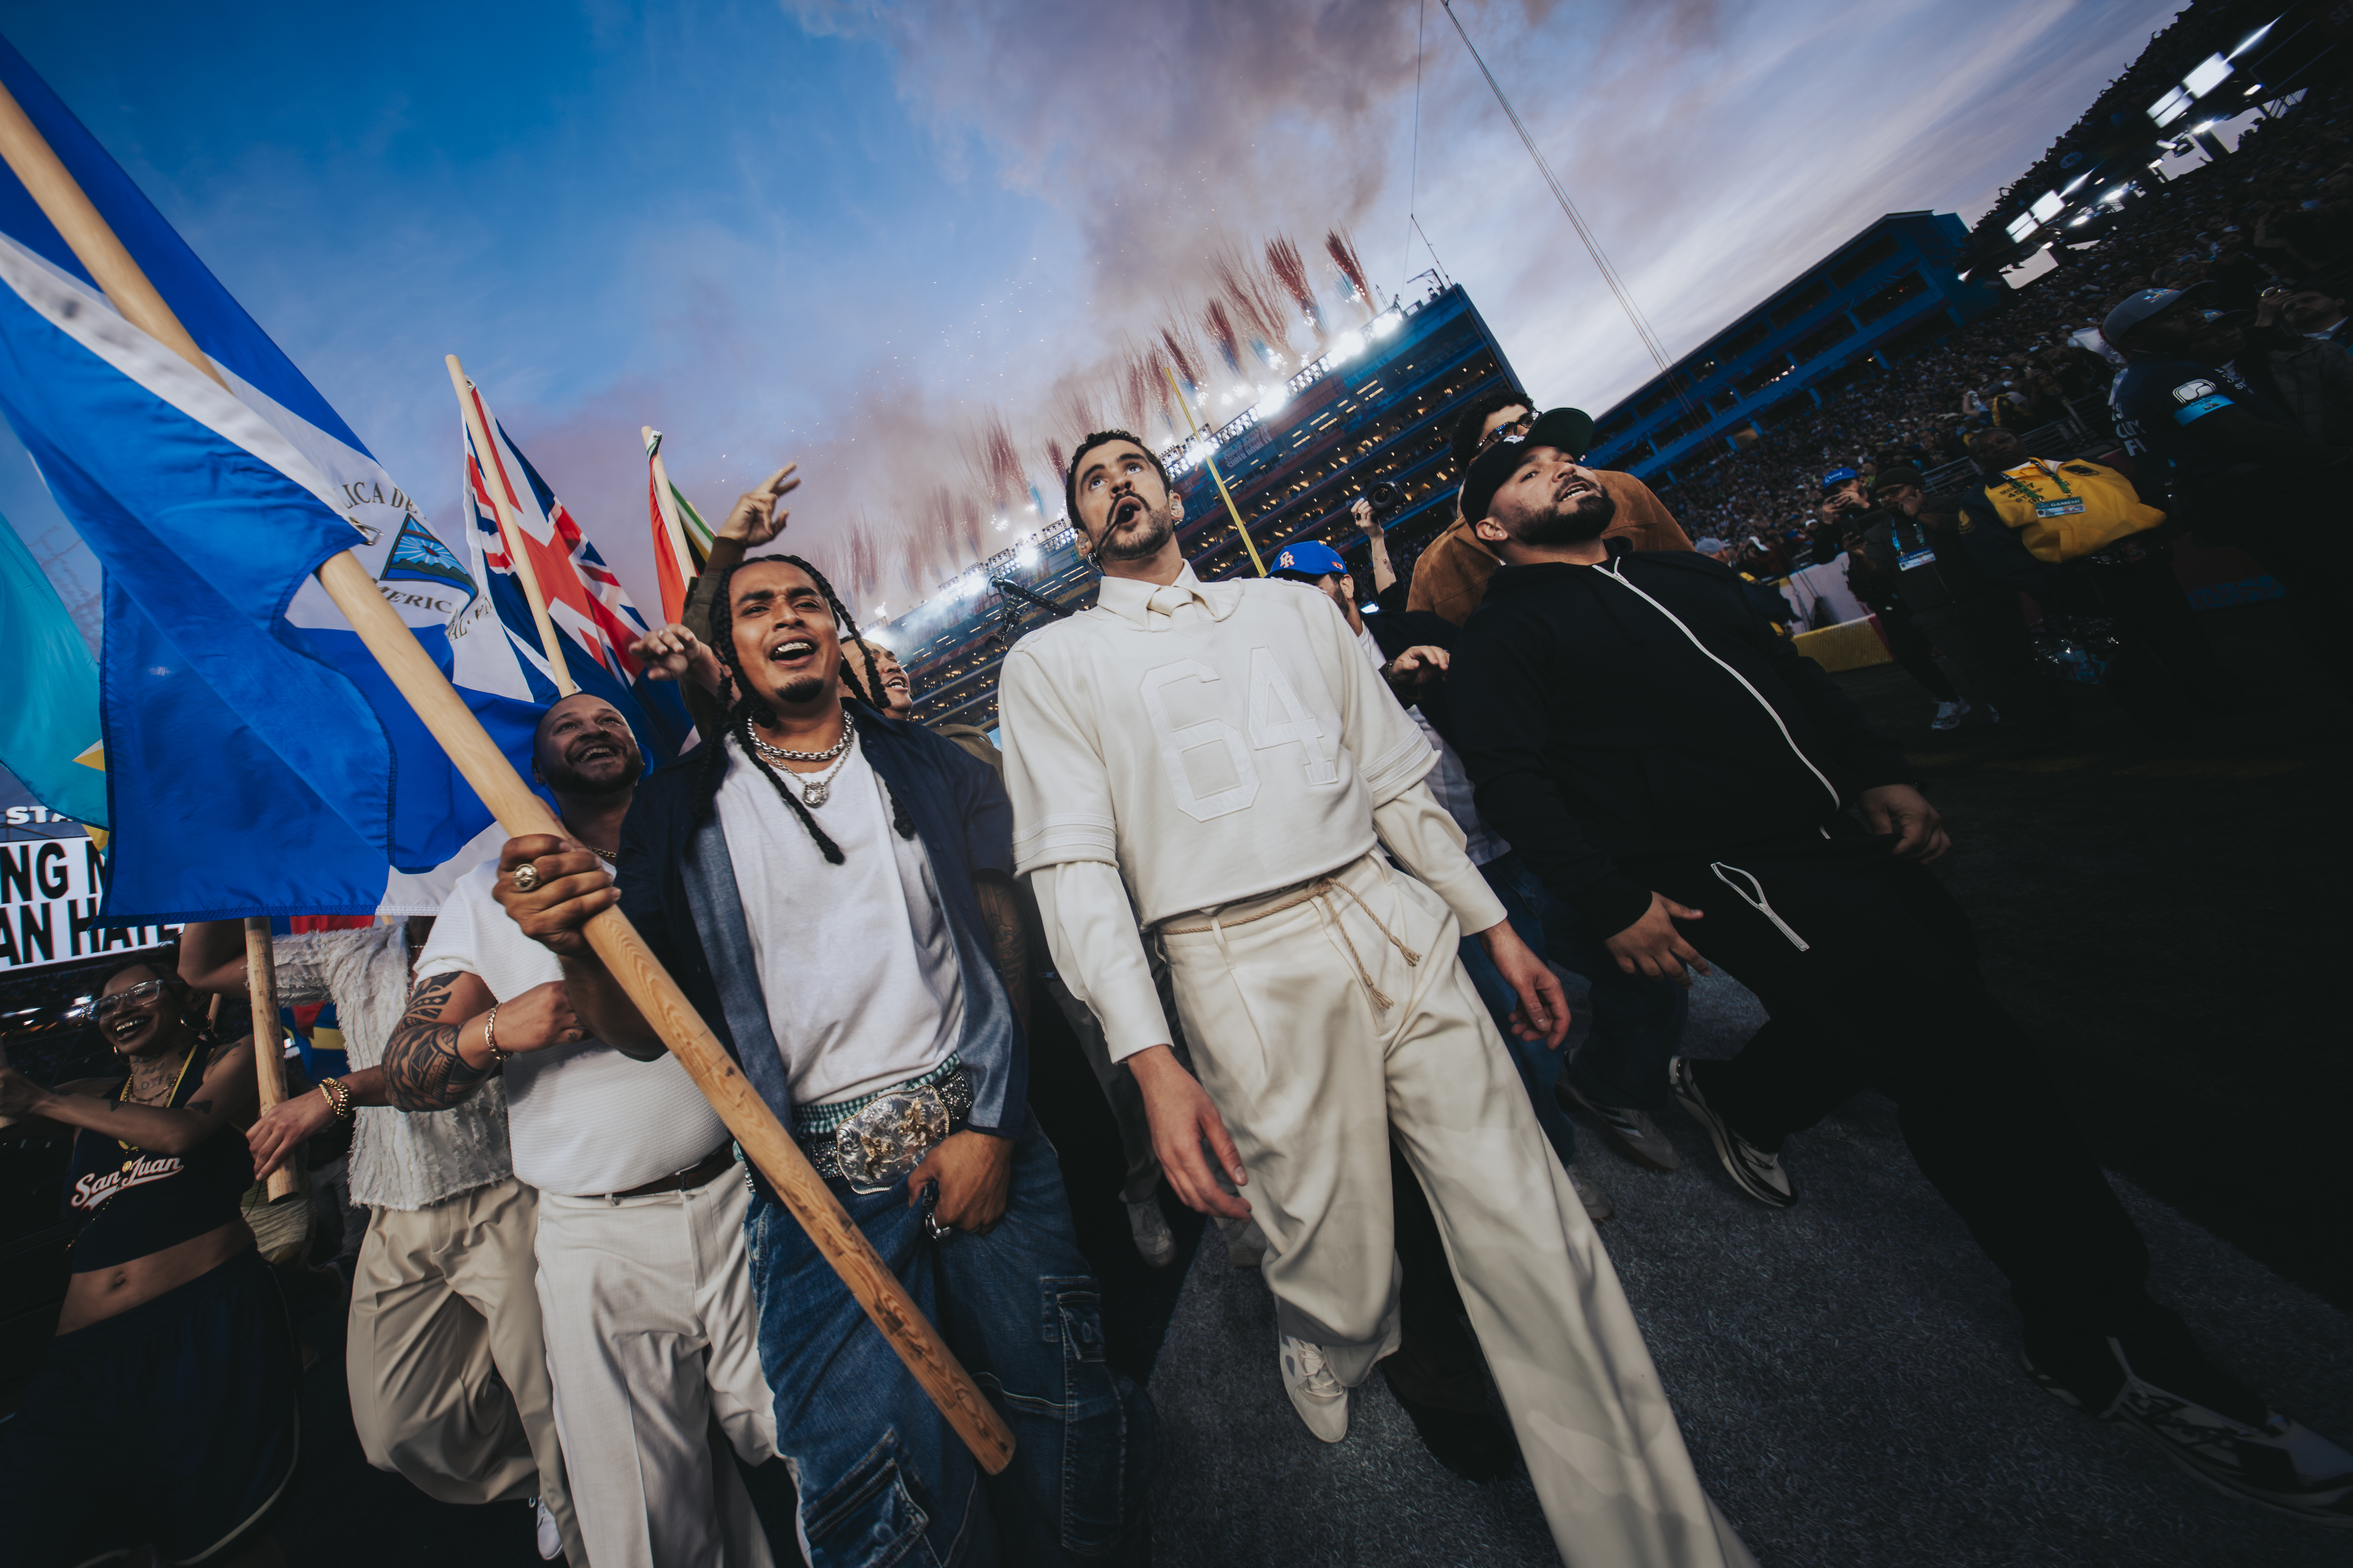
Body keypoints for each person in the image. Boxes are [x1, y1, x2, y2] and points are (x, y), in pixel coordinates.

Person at [1445, 408, 2353, 1527]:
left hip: (1836, 834)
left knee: (1935, 1002)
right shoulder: (1504, 635)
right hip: (1736, 872)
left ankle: (1741, 1094)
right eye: (1533, 475)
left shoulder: (1676, 579)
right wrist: (1613, 899)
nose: (1564, 472)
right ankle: (2110, 1346)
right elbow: (1515, 780)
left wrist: (1878, 769)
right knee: (1966, 1067)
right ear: (1494, 527)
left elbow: (1799, 686)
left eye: (1565, 460)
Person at [999, 429, 1752, 1566]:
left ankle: (1657, 1541)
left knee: (1530, 1226)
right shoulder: (1050, 661)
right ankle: (1330, 1329)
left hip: (1383, 910)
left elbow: (1397, 782)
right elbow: (1074, 870)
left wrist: (1492, 926)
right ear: (1081, 529)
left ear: (1173, 491)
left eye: (1133, 466)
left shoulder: (1293, 612)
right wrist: (1150, 1059)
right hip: (1233, 951)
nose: (1118, 485)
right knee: (1327, 1236)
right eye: (1092, 481)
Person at [495, 556, 1155, 1565]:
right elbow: (639, 1031)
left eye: (807, 601)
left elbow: (1003, 949)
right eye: (756, 607)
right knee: (871, 1476)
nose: (786, 617)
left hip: (984, 1149)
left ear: (838, 631)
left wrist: (994, 1126)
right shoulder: (678, 808)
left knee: (1061, 1410)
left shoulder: (934, 765)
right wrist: (572, 943)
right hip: (813, 1188)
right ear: (731, 652)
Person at [635, 618, 1186, 1270]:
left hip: (1051, 948)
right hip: (963, 1005)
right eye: (871, 660)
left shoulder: (956, 743)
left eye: (894, 656)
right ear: (837, 680)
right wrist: (704, 658)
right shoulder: (828, 771)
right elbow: (739, 703)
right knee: (1041, 1122)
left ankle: (1139, 1190)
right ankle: (1102, 1234)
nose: (892, 666)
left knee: (1107, 1087)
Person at [384, 693, 784, 1568]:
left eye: (608, 717)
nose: (592, 729)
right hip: (599, 1238)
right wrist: (494, 1031)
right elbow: (412, 1063)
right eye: (566, 726)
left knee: (819, 1441)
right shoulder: (486, 891)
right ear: (537, 765)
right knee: (646, 1520)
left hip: (748, 1196)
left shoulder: (701, 837)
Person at [182, 916, 585, 1563]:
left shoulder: (501, 931)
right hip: (391, 1207)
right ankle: (546, 1478)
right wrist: (213, 861)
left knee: (549, 1398)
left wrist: (332, 1094)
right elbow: (202, 970)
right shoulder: (353, 947)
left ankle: (585, 1512)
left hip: (503, 1190)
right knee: (396, 1429)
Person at [0, 961, 299, 1568]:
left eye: (139, 992)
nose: (120, 1009)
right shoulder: (87, 1094)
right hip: (84, 1357)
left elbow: (182, 1132)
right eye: (106, 1005)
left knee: (219, 1537)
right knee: (41, 1528)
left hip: (200, 1327)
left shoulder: (233, 1058)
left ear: (183, 996)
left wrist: (40, 1097)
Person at [2104, 285, 2351, 679]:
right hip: (2265, 494)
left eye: (2191, 309)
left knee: (2318, 588)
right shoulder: (2171, 374)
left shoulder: (2142, 380)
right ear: (2136, 340)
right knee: (2330, 588)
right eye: (2173, 316)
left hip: (2241, 496)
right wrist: (2333, 457)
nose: (2194, 317)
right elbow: (2238, 435)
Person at [1958, 427, 2232, 705]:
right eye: (1986, 449)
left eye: (2003, 440)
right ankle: (2169, 727)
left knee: (2183, 639)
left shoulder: (2080, 463)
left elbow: (2144, 494)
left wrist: (2161, 535)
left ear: (2020, 440)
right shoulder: (1980, 498)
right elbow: (1997, 555)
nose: (1998, 448)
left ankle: (2220, 701)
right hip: (2084, 584)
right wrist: (2055, 591)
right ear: (1979, 461)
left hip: (2146, 567)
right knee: (2124, 662)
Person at [1407, 390, 1694, 625]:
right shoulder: (1435, 565)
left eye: (1528, 420)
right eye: (1503, 432)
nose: (1523, 433)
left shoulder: (1622, 489)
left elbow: (1694, 577)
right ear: (1475, 466)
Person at [1859, 465, 2069, 746]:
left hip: (1987, 598)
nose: (1887, 500)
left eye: (1894, 492)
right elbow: (1878, 573)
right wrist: (1859, 557)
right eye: (1881, 496)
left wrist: (1920, 515)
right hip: (1937, 615)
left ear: (1918, 488)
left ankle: (2060, 721)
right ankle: (2025, 731)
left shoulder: (1958, 502)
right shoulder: (1879, 532)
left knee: (2020, 661)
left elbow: (1968, 531)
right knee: (1981, 673)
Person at [1829, 467, 1974, 729]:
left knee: (1963, 645)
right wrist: (1827, 525)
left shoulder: (1886, 503)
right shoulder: (1840, 518)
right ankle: (1949, 699)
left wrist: (1864, 506)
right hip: (1885, 590)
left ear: (1862, 482)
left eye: (1845, 485)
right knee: (1908, 652)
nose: (1841, 493)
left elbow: (1902, 516)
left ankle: (1994, 697)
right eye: (1834, 491)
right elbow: (1822, 555)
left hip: (1925, 582)